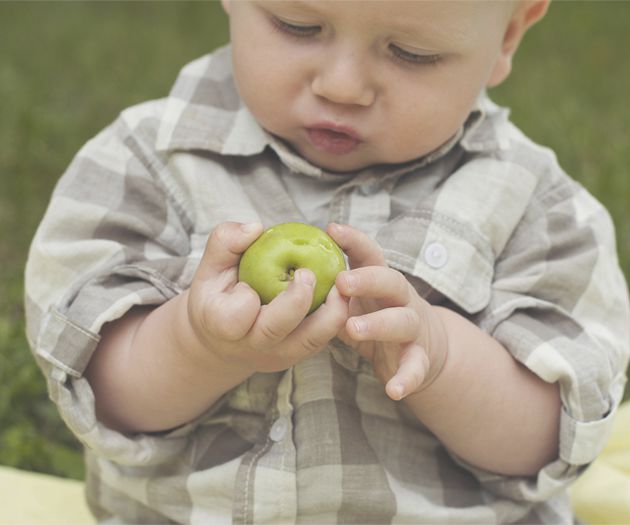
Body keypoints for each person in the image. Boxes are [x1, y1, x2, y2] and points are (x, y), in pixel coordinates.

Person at [25, 1, 630, 523]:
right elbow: (97, 386)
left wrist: (441, 359)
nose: (342, 86)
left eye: (411, 52)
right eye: (297, 24)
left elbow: (547, 440)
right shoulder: (146, 162)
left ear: (508, 35)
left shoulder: (537, 206)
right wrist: (197, 347)